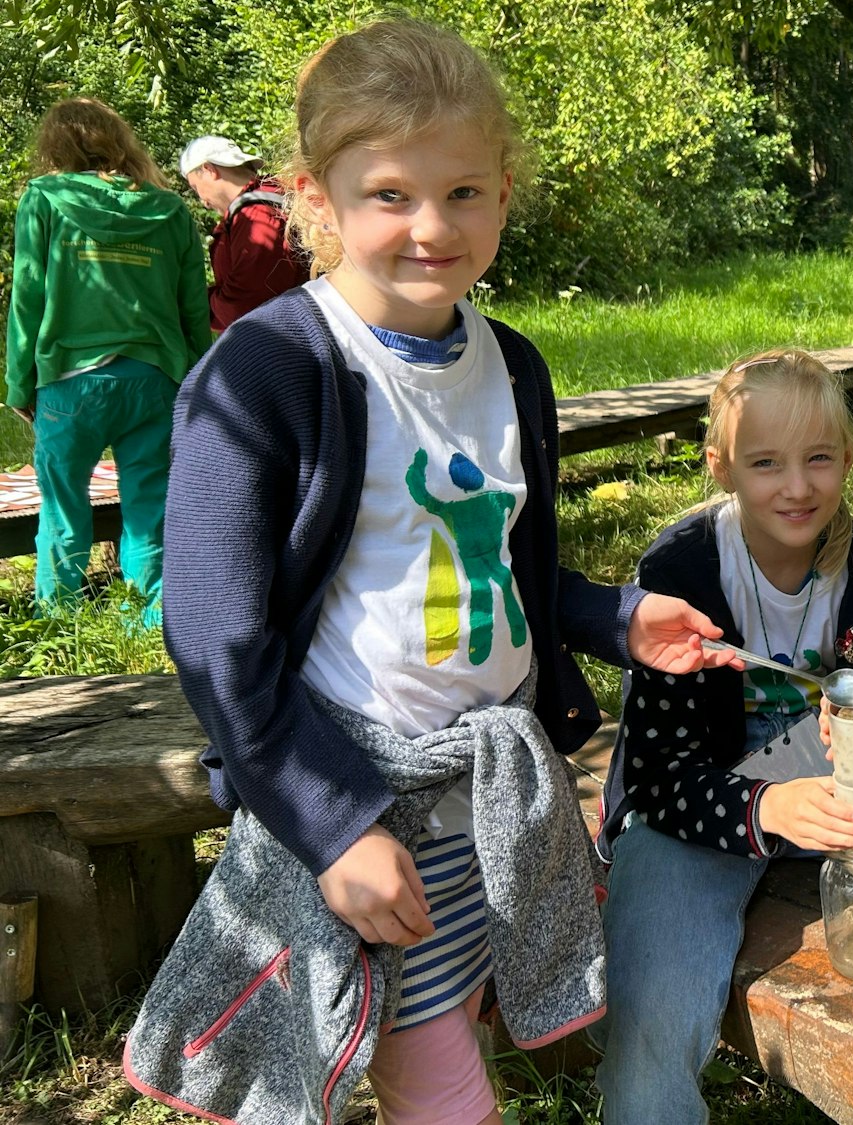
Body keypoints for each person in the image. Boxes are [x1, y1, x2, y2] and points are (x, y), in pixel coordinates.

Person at [121, 20, 733, 1125]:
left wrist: (617, 615)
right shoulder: (270, 370)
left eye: (462, 192)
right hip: (361, 793)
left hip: (480, 793)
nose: (430, 227)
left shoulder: (514, 367)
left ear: (504, 192)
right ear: (317, 196)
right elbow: (215, 635)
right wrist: (332, 827)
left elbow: (499, 561)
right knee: (440, 1088)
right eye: (390, 193)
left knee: (446, 1029)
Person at [593, 348, 853, 1124]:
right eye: (766, 463)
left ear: (847, 457)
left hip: (833, 770)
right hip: (698, 799)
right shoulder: (680, 568)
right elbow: (657, 779)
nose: (797, 486)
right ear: (720, 467)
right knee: (652, 1019)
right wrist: (771, 810)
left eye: (818, 458)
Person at [5, 97, 207, 624]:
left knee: (63, 505)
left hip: (71, 380)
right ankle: (150, 620)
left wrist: (18, 383)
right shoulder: (170, 209)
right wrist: (198, 382)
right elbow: (193, 307)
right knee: (149, 508)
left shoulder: (44, 198)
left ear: (56, 145)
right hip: (155, 378)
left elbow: (28, 295)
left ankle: (60, 621)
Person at [177, 134, 309, 331]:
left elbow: (247, 301)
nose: (203, 201)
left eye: (196, 188)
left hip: (281, 341)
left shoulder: (258, 215)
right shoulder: (271, 198)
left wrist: (194, 307)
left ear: (209, 170)